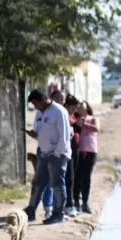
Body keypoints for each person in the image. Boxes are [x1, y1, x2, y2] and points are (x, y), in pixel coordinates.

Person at [23, 89, 72, 224]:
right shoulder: (39, 112)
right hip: (44, 154)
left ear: (43, 99)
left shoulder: (59, 111)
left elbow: (65, 136)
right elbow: (38, 132)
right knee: (37, 183)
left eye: (36, 103)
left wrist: (56, 154)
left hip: (58, 154)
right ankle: (31, 210)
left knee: (57, 184)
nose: (35, 107)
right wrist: (33, 134)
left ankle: (58, 214)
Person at [74, 102, 99, 214]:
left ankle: (85, 201)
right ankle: (76, 202)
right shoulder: (76, 119)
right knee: (77, 177)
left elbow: (96, 128)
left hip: (91, 150)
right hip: (79, 150)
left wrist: (85, 124)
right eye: (79, 107)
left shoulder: (93, 118)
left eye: (82, 107)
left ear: (87, 108)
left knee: (87, 177)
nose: (80, 109)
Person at [64, 94, 82, 216]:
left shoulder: (73, 115)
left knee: (73, 176)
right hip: (68, 148)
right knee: (68, 178)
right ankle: (68, 204)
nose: (75, 110)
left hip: (75, 148)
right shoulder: (65, 114)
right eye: (74, 108)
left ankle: (72, 202)